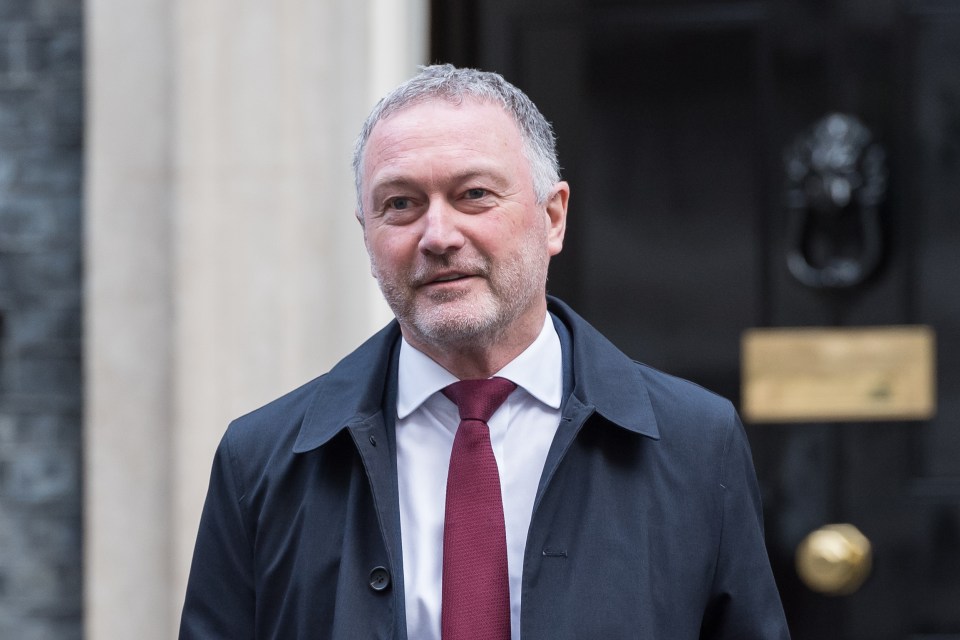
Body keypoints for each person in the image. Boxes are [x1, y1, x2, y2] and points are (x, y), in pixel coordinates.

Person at [179, 64, 790, 639]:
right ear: (365, 234)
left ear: (552, 218)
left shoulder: (695, 443)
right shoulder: (260, 461)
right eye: (400, 204)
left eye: (473, 194)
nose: (438, 236)